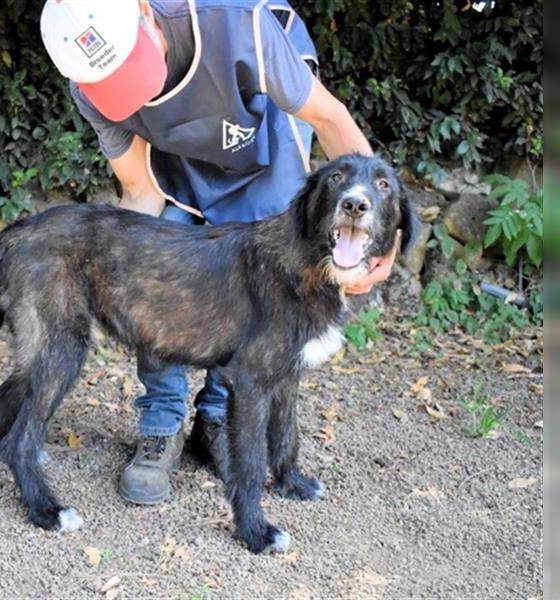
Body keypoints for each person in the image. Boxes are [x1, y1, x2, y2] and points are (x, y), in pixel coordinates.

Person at [40, 0, 399, 505]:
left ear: (144, 13)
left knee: (261, 291)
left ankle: (215, 421)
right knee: (160, 277)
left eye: (131, 67)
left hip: (264, 136)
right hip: (185, 162)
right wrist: (131, 267)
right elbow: (140, 191)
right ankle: (160, 426)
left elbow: (329, 117)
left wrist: (383, 235)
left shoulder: (236, 20)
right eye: (112, 81)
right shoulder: (94, 89)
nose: (128, 87)